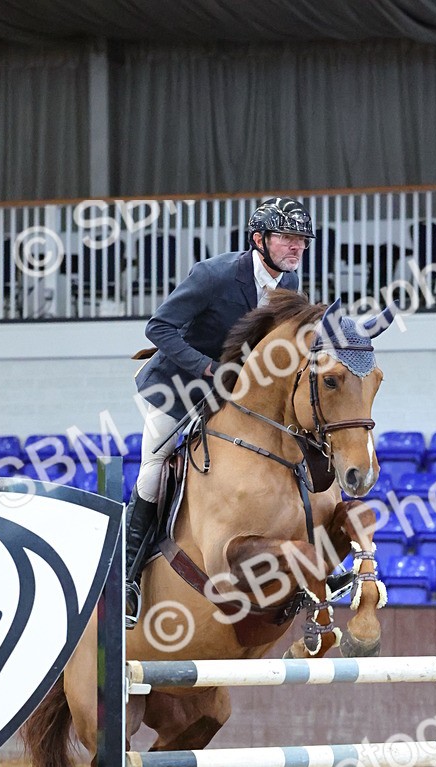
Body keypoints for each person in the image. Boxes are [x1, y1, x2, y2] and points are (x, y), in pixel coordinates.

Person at [125, 197, 315, 625]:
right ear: (259, 239)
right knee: (154, 468)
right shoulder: (214, 275)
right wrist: (207, 368)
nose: (297, 247)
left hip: (236, 393)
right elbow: (158, 328)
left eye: (302, 240)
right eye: (287, 238)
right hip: (180, 384)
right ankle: (128, 578)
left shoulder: (290, 281)